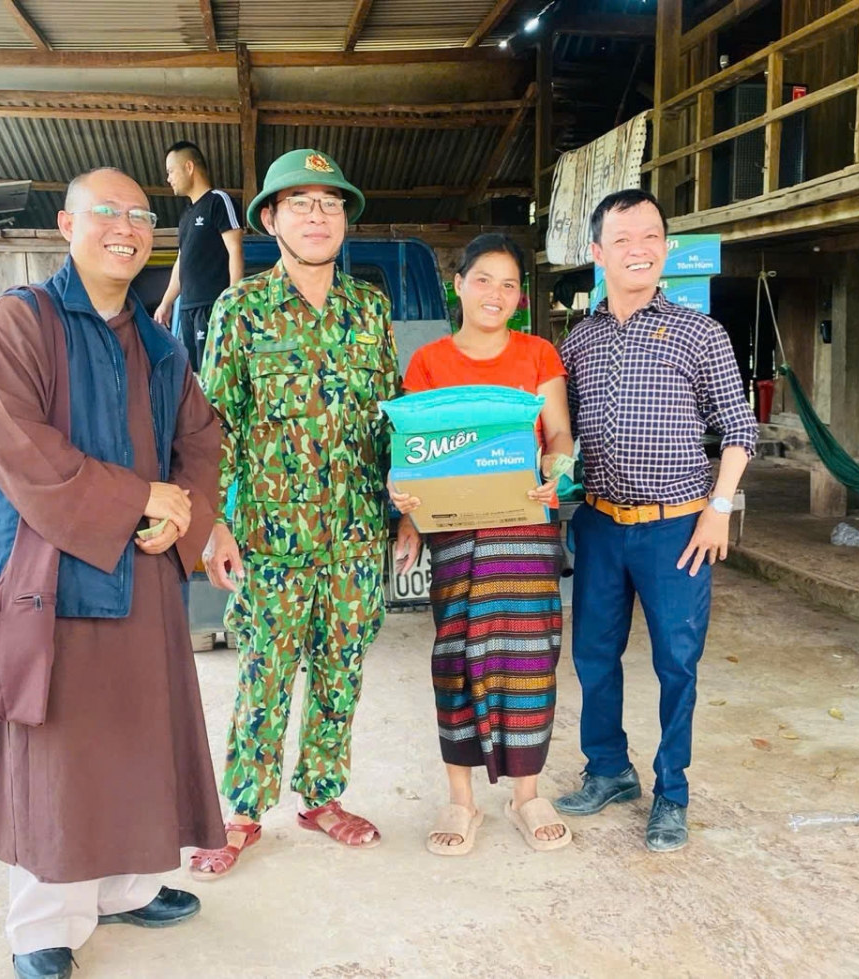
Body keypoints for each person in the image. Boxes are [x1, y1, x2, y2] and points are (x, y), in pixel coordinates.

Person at [0, 167, 227, 979]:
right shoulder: (23, 320)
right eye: (106, 211)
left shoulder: (159, 343)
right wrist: (137, 497)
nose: (125, 226)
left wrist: (183, 512)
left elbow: (202, 438)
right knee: (58, 753)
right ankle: (44, 923)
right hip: (52, 575)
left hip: (142, 573)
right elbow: (18, 445)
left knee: (138, 734)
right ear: (66, 224)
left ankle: (125, 886)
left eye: (140, 215)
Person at [191, 149, 400, 879]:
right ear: (272, 220)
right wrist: (214, 523)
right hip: (271, 536)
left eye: (330, 203)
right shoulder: (240, 310)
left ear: (345, 220)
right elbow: (212, 428)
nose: (318, 216)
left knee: (342, 670)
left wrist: (410, 506)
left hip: (355, 535)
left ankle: (322, 797)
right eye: (301, 204)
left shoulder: (370, 310)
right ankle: (243, 811)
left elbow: (393, 422)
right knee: (264, 674)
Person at [553, 188, 758, 852]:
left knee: (677, 661)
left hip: (679, 528)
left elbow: (740, 429)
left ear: (666, 247)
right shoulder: (577, 341)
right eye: (622, 239)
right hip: (599, 523)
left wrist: (719, 509)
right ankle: (609, 769)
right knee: (593, 654)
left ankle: (672, 792)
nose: (637, 249)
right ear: (597, 253)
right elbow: (555, 432)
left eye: (650, 237)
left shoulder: (701, 333)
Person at [392, 233, 575, 855]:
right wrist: (406, 508)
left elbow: (558, 436)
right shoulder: (429, 363)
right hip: (457, 537)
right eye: (483, 280)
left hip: (525, 531)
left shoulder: (539, 354)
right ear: (459, 285)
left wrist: (558, 468)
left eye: (509, 284)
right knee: (457, 659)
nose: (495, 293)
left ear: (520, 296)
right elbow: (411, 456)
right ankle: (460, 799)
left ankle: (527, 795)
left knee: (529, 660)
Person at [155, 140, 243, 374]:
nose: (168, 178)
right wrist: (166, 302)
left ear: (189, 167)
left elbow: (235, 250)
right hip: (187, 307)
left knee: (214, 373)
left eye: (171, 171)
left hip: (212, 306)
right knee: (193, 374)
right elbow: (181, 261)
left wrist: (232, 301)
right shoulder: (186, 215)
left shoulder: (219, 201)